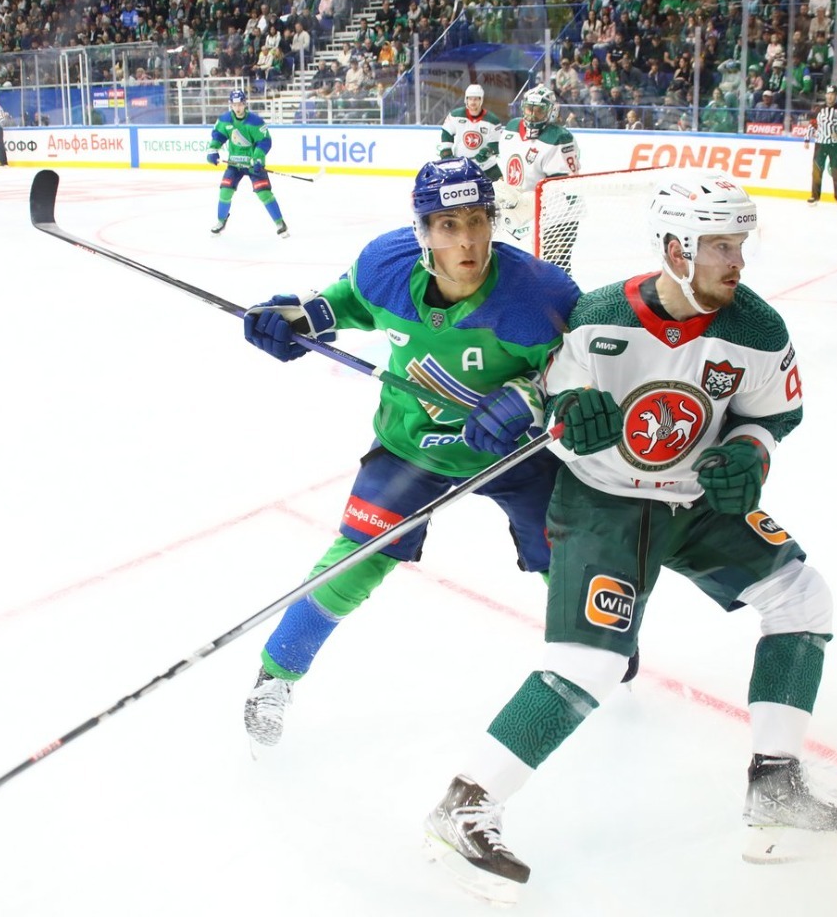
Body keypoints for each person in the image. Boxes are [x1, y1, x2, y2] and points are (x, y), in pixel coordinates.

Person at [423, 172, 837, 905]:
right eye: (719, 246)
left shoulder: (756, 329)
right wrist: (568, 413)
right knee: (593, 663)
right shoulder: (600, 316)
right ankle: (464, 805)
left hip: (695, 501)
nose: (736, 261)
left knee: (801, 598)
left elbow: (772, 415)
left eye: (739, 244)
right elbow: (554, 394)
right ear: (675, 248)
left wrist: (748, 455)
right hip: (606, 505)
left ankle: (775, 788)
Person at [239, 159, 582, 751]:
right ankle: (277, 675)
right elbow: (339, 304)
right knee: (354, 561)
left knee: (569, 558)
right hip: (411, 445)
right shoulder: (386, 266)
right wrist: (291, 319)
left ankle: (595, 649)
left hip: (513, 452)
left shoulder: (540, 296)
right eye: (448, 225)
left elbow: (580, 371)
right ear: (422, 231)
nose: (467, 240)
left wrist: (531, 396)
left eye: (476, 220)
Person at [494, 85, 582, 271]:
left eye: (539, 110)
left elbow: (562, 187)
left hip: (559, 213)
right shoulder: (511, 129)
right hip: (521, 209)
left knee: (554, 266)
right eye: (529, 109)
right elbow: (508, 170)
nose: (533, 115)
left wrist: (526, 202)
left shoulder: (559, 138)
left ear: (551, 112)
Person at [206, 88, 288, 238]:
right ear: (231, 104)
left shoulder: (255, 122)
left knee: (264, 193)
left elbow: (264, 141)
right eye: (234, 105)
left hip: (252, 164)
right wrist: (213, 149)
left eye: (240, 104)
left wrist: (258, 159)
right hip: (234, 164)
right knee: (225, 191)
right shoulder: (225, 120)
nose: (237, 108)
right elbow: (218, 136)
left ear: (245, 104)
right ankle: (221, 221)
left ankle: (280, 223)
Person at [436, 83, 502, 178]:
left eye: (476, 99)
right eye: (470, 99)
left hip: (487, 168)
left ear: (481, 100)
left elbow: (496, 143)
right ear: (466, 99)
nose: (472, 102)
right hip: (461, 166)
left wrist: (488, 151)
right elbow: (447, 132)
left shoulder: (492, 120)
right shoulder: (455, 116)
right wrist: (446, 150)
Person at [806, 86, 837, 204]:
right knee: (817, 170)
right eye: (828, 94)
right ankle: (815, 196)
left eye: (832, 94)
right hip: (820, 143)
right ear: (825, 95)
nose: (830, 96)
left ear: (835, 96)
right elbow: (812, 124)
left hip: (835, 145)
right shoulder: (819, 109)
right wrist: (807, 139)